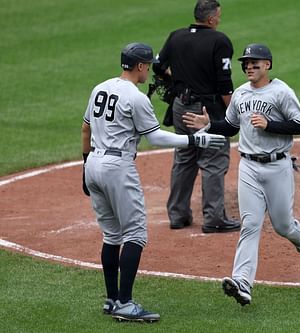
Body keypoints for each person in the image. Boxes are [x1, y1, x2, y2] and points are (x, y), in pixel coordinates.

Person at [81, 42, 227, 322]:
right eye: (147, 65)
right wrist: (196, 139)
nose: (150, 69)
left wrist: (85, 167)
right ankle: (125, 304)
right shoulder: (136, 98)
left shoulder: (99, 88)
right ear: (139, 66)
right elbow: (156, 137)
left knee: (112, 235)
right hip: (117, 166)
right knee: (135, 234)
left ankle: (112, 300)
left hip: (94, 163)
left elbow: (85, 128)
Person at [183, 43, 300, 306]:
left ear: (267, 65)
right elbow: (232, 126)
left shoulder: (282, 92)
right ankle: (242, 284)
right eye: (246, 63)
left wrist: (271, 125)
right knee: (250, 225)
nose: (249, 66)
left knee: (282, 225)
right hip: (248, 167)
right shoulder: (241, 94)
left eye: (254, 62)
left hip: (278, 166)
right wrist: (210, 125)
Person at [153, 0, 240, 233]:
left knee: (185, 157)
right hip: (206, 110)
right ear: (211, 19)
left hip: (181, 106)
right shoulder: (219, 41)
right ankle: (214, 218)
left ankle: (178, 215)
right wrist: (233, 113)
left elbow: (159, 66)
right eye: (218, 16)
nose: (219, 20)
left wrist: (180, 78)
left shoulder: (176, 36)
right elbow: (224, 84)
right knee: (213, 159)